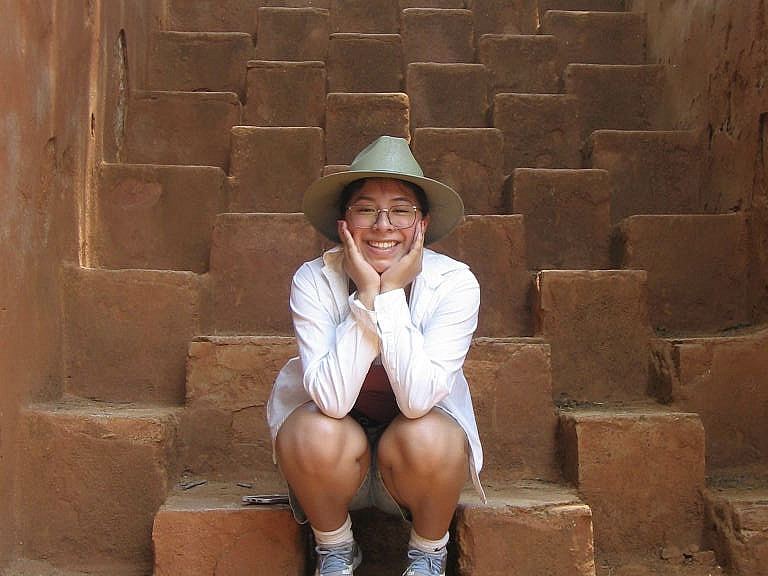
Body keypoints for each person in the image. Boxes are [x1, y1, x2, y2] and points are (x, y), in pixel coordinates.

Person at [267, 135, 485, 576]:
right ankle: (336, 548)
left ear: (422, 224)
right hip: (332, 469)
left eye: (401, 210)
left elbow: (419, 399)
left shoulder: (455, 284)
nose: (384, 225)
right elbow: (331, 400)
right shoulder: (314, 281)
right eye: (366, 209)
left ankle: (427, 554)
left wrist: (386, 299)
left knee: (432, 435)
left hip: (411, 471)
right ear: (344, 223)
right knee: (312, 430)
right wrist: (368, 296)